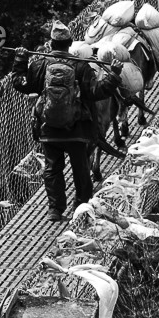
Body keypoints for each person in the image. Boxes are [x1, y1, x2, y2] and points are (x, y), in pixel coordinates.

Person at [11, 20, 122, 222]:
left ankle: (55, 210)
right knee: (80, 169)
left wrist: (20, 59)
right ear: (70, 43)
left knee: (52, 169)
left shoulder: (40, 65)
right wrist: (114, 75)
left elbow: (20, 83)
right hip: (77, 129)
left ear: (50, 44)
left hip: (48, 129)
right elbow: (97, 92)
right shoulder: (81, 66)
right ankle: (81, 207)